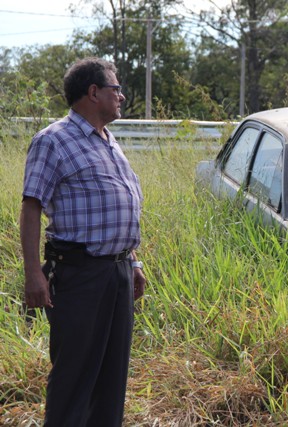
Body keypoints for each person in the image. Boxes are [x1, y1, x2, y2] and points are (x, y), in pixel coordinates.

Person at [20, 57, 146, 426]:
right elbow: (31, 208)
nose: (121, 96)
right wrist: (32, 275)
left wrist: (133, 261)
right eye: (115, 89)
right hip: (79, 274)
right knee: (75, 375)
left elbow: (114, 207)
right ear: (93, 93)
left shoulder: (109, 142)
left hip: (118, 273)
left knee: (111, 376)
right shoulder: (53, 140)